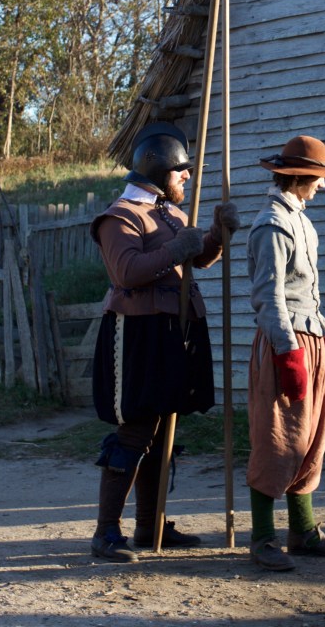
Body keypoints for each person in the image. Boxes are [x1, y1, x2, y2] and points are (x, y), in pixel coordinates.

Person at [89, 121, 240, 563]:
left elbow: (198, 260)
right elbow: (128, 273)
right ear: (157, 170)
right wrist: (177, 250)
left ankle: (149, 526)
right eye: (182, 171)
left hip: (176, 327)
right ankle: (105, 533)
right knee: (136, 427)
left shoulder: (172, 214)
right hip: (137, 333)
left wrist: (216, 235)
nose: (187, 178)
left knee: (161, 432)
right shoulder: (119, 217)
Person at [246, 135, 325, 571]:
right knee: (278, 441)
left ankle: (303, 531)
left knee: (311, 436)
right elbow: (268, 297)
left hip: (308, 339)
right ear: (300, 176)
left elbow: (308, 293)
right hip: (283, 343)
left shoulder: (302, 222)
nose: (322, 186)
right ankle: (261, 538)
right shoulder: (271, 224)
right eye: (318, 178)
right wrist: (288, 352)